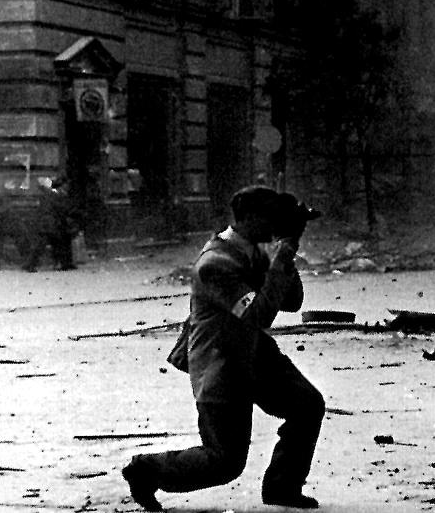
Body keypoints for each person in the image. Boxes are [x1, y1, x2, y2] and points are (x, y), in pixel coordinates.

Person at [121, 186, 324, 512]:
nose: (274, 225)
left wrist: (288, 249)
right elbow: (260, 314)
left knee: (307, 405)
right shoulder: (215, 264)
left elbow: (291, 301)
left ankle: (282, 488)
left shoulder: (254, 250)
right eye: (270, 218)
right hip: (221, 363)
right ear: (247, 218)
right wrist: (283, 253)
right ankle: (146, 470)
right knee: (224, 461)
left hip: (254, 353)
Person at [24, 176, 78, 272]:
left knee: (54, 243)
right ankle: (30, 264)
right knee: (44, 244)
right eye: (66, 185)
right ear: (61, 186)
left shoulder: (50, 194)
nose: (68, 187)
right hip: (50, 223)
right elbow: (60, 209)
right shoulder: (57, 195)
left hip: (48, 222)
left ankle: (64, 263)